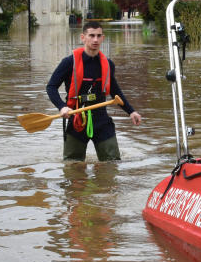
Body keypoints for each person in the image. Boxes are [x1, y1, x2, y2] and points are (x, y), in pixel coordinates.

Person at [46, 20, 142, 161]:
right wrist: (62, 107)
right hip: (76, 119)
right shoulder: (68, 62)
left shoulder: (108, 64)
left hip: (101, 120)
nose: (95, 39)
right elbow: (51, 87)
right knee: (73, 168)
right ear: (83, 37)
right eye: (91, 35)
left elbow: (115, 91)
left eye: (98, 36)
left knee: (112, 164)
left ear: (103, 38)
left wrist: (131, 111)